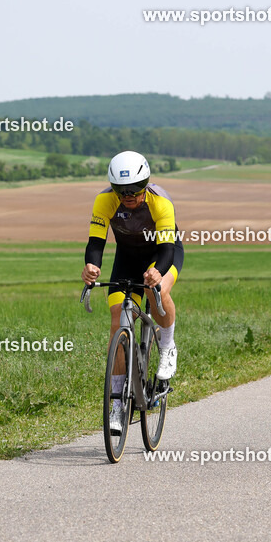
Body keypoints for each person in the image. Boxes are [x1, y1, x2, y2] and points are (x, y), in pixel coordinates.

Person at [81, 151, 183, 431]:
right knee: (118, 321)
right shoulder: (104, 201)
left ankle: (167, 346)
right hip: (127, 258)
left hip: (162, 254)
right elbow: (96, 243)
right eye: (121, 190)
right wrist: (91, 266)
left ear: (145, 183)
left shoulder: (160, 202)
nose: (128, 196)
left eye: (135, 189)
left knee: (156, 291)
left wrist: (157, 271)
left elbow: (167, 249)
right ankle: (117, 405)